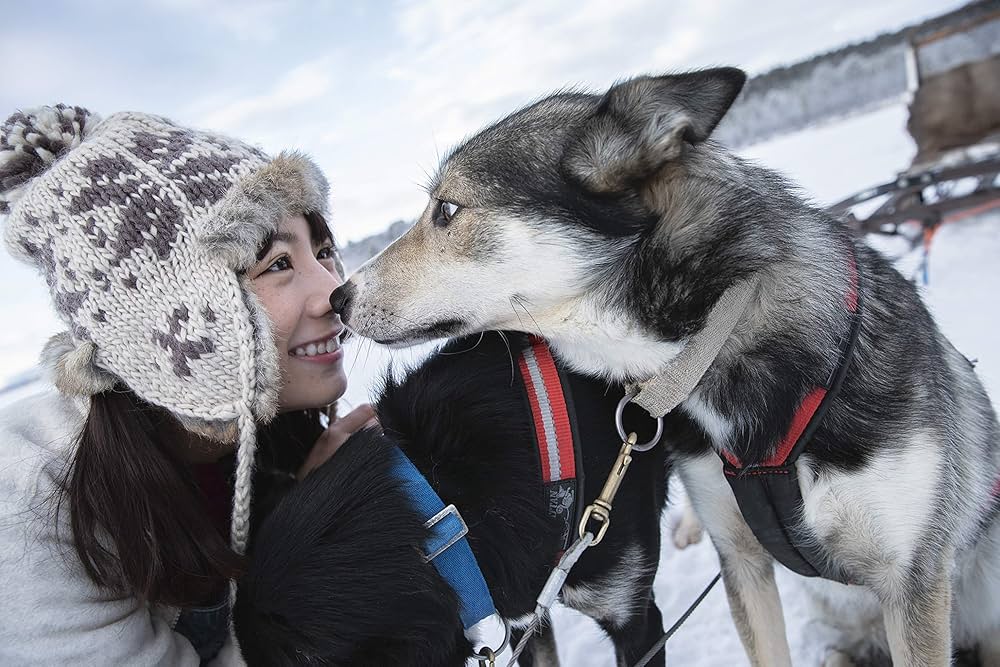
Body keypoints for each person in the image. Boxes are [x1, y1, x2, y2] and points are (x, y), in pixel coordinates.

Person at [0, 104, 377, 664]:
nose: (335, 291)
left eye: (322, 251)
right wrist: (304, 535)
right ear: (164, 320)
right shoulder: (31, 507)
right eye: (276, 263)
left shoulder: (273, 429)